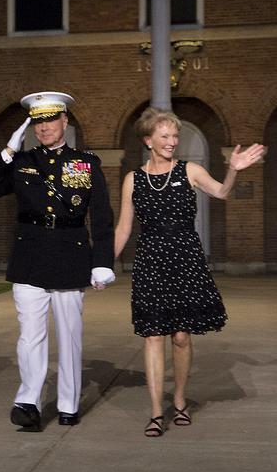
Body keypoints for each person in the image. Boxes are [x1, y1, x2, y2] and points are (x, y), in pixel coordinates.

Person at [113, 107, 265, 437]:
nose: (172, 142)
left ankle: (179, 399)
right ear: (148, 140)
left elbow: (222, 192)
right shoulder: (133, 179)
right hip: (151, 261)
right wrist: (103, 266)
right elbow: (124, 228)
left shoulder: (189, 170)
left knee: (180, 336)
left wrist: (233, 170)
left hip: (186, 259)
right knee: (152, 335)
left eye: (175, 136)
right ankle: (156, 412)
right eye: (165, 136)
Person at [0, 91, 115, 432]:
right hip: (30, 255)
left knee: (69, 336)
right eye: (37, 122)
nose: (44, 128)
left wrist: (103, 261)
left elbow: (101, 215)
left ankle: (68, 404)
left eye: (50, 120)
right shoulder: (22, 161)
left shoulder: (85, 163)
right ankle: (28, 401)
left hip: (70, 252)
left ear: (64, 121)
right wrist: (7, 152)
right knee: (30, 336)